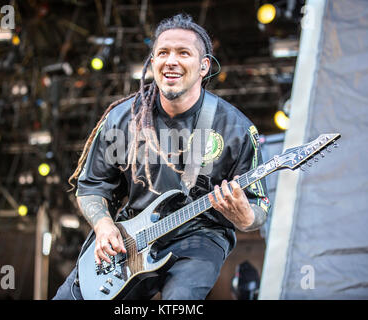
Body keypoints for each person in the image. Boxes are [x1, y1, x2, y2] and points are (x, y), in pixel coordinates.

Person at [53, 13, 270, 300]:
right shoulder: (122, 119)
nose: (171, 60)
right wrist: (104, 225)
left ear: (204, 66)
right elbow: (92, 186)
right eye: (163, 52)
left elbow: (258, 208)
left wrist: (245, 217)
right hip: (133, 238)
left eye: (184, 53)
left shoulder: (234, 128)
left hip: (201, 236)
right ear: (152, 61)